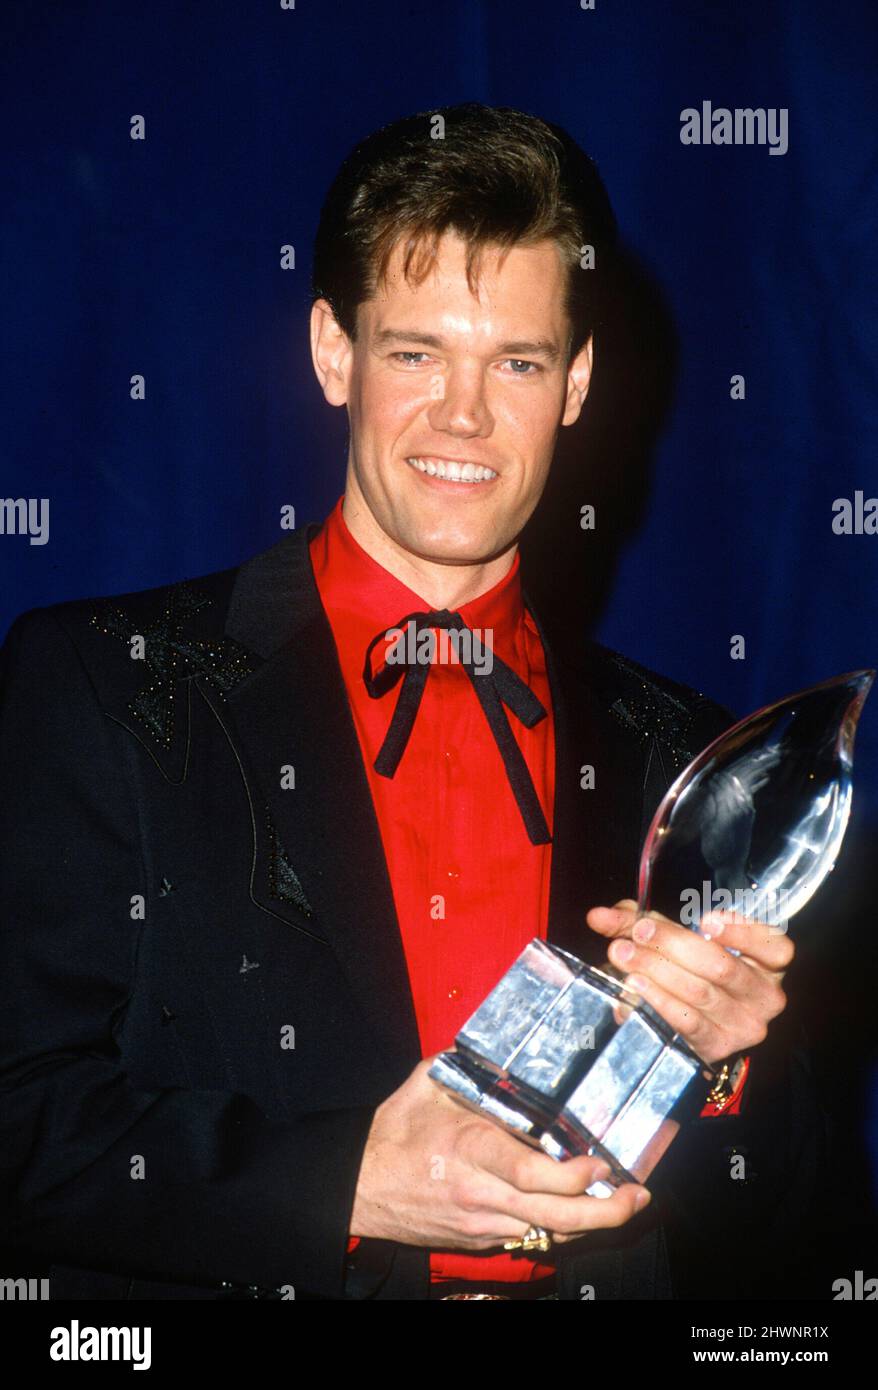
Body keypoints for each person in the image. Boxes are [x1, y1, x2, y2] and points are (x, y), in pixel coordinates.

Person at [0, 103, 825, 1301]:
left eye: (518, 363)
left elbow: (783, 1238)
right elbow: (19, 1118)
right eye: (416, 351)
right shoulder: (103, 683)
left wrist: (724, 1070)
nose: (465, 417)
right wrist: (342, 1183)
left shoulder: (687, 756)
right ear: (332, 352)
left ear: (577, 384)